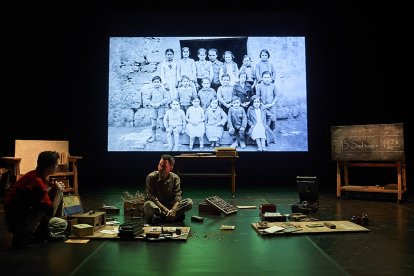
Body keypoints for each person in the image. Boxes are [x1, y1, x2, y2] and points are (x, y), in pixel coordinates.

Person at [3, 151, 68, 248]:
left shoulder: (35, 175)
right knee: (57, 192)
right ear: (50, 166)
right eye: (56, 164)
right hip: (18, 222)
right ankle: (35, 235)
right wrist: (57, 190)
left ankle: (38, 233)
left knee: (62, 224)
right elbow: (49, 209)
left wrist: (54, 189)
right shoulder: (36, 181)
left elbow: (38, 196)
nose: (57, 166)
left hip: (17, 218)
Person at [143, 154, 193, 225]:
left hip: (170, 205)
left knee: (189, 202)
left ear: (171, 168)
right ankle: (174, 217)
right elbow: (152, 197)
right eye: (159, 165)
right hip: (158, 206)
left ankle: (160, 219)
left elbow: (178, 196)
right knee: (147, 205)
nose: (160, 168)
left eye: (163, 166)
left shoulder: (175, 178)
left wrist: (174, 209)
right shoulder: (151, 177)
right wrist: (165, 210)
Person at [143, 75, 170, 143]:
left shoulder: (163, 90)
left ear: (160, 82)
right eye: (155, 82)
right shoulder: (151, 90)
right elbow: (147, 99)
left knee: (161, 122)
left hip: (161, 108)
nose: (156, 83)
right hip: (153, 108)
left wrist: (160, 103)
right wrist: (151, 103)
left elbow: (166, 98)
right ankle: (153, 137)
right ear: (152, 83)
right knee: (153, 123)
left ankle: (163, 138)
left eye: (158, 82)